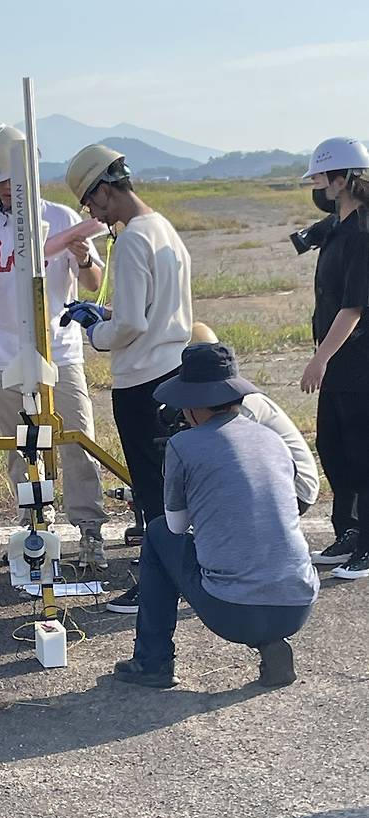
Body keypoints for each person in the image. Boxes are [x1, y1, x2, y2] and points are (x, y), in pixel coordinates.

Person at [114, 343, 319, 689]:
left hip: (232, 612)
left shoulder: (184, 445)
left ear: (191, 405)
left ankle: (153, 662)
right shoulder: (272, 439)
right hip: (298, 603)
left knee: (158, 533)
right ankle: (271, 645)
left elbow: (178, 527)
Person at [0, 124, 109, 569]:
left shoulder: (63, 219)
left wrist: (82, 258)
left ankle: (89, 532)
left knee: (77, 444)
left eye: (11, 178)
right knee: (20, 448)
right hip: (3, 357)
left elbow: (94, 285)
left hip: (60, 354)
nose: (5, 188)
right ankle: (33, 529)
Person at [64, 144, 192, 609]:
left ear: (103, 189)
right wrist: (105, 314)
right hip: (173, 371)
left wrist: (96, 330)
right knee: (169, 483)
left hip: (141, 380)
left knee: (151, 488)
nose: (93, 213)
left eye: (91, 202)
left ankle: (161, 585)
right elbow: (151, 311)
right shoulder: (163, 228)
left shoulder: (134, 237)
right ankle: (178, 574)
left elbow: (132, 325)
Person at [299, 137, 369, 578]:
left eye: (322, 177)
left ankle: (366, 541)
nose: (316, 186)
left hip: (357, 360)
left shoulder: (362, 233)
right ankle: (348, 530)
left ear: (342, 180)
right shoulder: (339, 225)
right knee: (334, 446)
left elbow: (353, 306)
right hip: (340, 362)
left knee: (362, 453)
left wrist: (319, 358)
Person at [190, 322, 320, 515]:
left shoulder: (244, 405)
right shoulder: (227, 396)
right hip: (280, 479)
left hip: (296, 488)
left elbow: (229, 459)